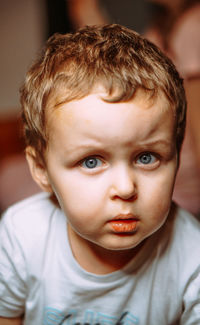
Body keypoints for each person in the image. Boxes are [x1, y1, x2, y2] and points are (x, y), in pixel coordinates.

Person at [0, 24, 200, 325]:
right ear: (41, 169)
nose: (125, 188)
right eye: (92, 161)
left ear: (177, 153)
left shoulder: (191, 256)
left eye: (147, 158)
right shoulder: (21, 236)